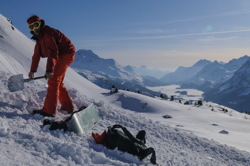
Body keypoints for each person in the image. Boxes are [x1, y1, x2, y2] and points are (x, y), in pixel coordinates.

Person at [27, 15, 75, 117]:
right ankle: (68, 107)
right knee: (58, 81)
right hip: (61, 55)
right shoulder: (39, 39)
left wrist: (49, 70)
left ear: (40, 24)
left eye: (36, 25)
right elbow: (36, 55)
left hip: (66, 54)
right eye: (31, 27)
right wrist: (32, 71)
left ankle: (49, 111)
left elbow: (53, 52)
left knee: (53, 80)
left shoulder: (48, 33)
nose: (34, 29)